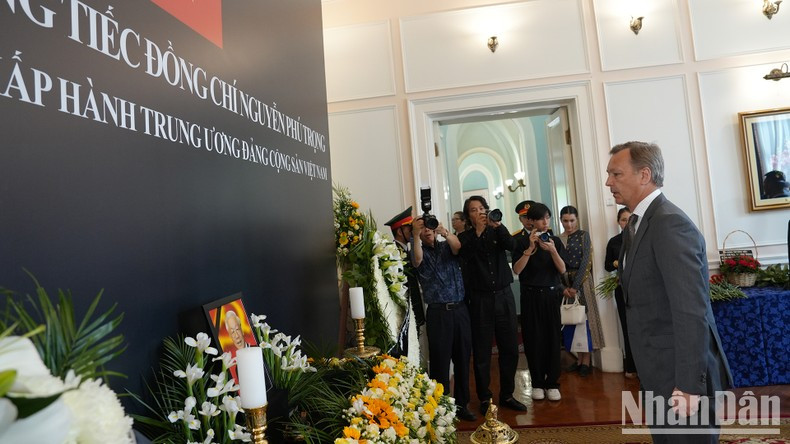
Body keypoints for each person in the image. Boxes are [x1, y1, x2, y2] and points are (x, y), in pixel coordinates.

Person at [606, 141, 732, 443]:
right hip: (658, 370)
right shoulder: (637, 223)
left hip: (679, 376)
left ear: (644, 175)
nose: (608, 182)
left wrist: (688, 386)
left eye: (616, 174)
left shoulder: (669, 224)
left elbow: (691, 310)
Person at [457, 196, 527, 415]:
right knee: (482, 351)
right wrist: (478, 232)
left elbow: (512, 245)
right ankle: (485, 398)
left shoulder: (498, 231)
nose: (479, 212)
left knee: (510, 348)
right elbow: (466, 256)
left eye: (481, 208)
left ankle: (507, 394)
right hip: (479, 300)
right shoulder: (465, 237)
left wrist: (499, 226)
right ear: (468, 216)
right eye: (473, 210)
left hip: (504, 296)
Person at [411, 217, 475, 421]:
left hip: (460, 309)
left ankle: (462, 405)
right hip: (438, 313)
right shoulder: (418, 251)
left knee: (463, 358)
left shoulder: (447, 246)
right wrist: (414, 233)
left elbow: (458, 246)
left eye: (429, 227)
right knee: (439, 360)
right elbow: (417, 260)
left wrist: (444, 232)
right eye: (423, 229)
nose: (427, 231)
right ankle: (441, 406)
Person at [512, 202, 567, 402]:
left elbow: (562, 270)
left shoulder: (555, 241)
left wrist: (552, 251)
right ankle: (536, 382)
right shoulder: (520, 242)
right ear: (531, 221)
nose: (545, 222)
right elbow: (517, 270)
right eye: (541, 219)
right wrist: (530, 248)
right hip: (530, 296)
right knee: (533, 339)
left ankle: (552, 383)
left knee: (553, 339)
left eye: (548, 218)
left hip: (551, 295)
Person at [558, 205, 605, 377]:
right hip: (565, 284)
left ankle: (587, 360)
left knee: (585, 321)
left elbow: (586, 261)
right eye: (565, 221)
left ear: (577, 220)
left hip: (582, 283)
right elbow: (555, 265)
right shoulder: (558, 239)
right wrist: (564, 288)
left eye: (572, 220)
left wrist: (575, 286)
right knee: (571, 320)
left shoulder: (584, 235)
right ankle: (578, 359)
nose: (569, 224)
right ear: (561, 220)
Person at [604, 207, 637, 379]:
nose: (627, 222)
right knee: (627, 327)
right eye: (623, 219)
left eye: (630, 219)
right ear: (619, 222)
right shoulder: (614, 242)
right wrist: (616, 263)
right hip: (621, 288)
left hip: (640, 289)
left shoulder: (641, 239)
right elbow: (607, 265)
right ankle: (631, 366)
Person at [384, 207, 425, 330]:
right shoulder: (392, 253)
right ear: (400, 232)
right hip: (404, 313)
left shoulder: (408, 250)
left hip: (413, 310)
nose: (413, 231)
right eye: (409, 228)